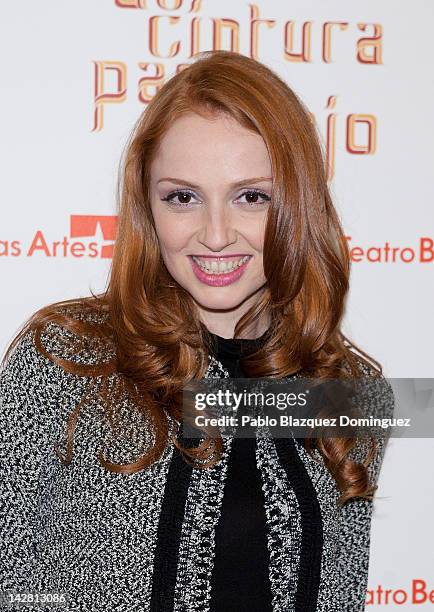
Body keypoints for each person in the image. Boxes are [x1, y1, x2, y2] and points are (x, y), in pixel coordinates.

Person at [0, 50, 394, 612]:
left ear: (299, 206)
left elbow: (341, 595)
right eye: (182, 197)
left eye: (251, 196)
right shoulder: (67, 358)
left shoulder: (351, 391)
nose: (214, 234)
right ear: (149, 206)